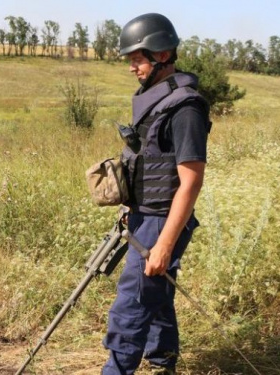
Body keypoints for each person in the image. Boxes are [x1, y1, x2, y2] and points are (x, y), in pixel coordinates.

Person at [102, 13, 212, 375]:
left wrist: (164, 245)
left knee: (132, 305)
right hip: (143, 215)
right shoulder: (156, 99)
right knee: (157, 294)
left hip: (163, 221)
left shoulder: (186, 108)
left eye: (138, 58)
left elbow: (191, 181)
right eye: (130, 60)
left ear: (162, 54)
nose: (133, 67)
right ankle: (163, 361)